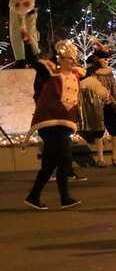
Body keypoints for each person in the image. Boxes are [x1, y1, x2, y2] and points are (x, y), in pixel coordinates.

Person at [21, 33, 83, 210]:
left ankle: (35, 196)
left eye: (75, 58)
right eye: (70, 59)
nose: (74, 62)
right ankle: (64, 198)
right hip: (49, 123)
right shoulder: (49, 71)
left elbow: (92, 72)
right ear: (61, 59)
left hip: (64, 124)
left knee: (50, 164)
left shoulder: (76, 75)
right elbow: (33, 61)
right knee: (63, 158)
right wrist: (27, 43)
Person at [80, 40, 116, 167]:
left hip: (109, 104)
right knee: (99, 131)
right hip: (96, 105)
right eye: (103, 59)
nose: (106, 61)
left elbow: (114, 90)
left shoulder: (109, 73)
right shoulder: (91, 73)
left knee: (115, 130)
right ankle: (100, 158)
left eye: (107, 59)